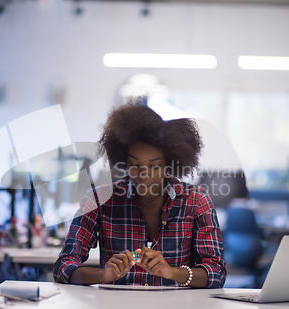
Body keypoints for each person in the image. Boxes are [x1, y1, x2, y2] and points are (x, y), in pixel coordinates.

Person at [53, 98, 226, 288]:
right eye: (135, 164)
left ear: (169, 164)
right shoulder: (100, 199)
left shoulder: (196, 201)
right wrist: (103, 275)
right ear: (124, 162)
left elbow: (216, 273)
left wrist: (172, 272)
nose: (143, 175)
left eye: (153, 166)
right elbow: (63, 267)